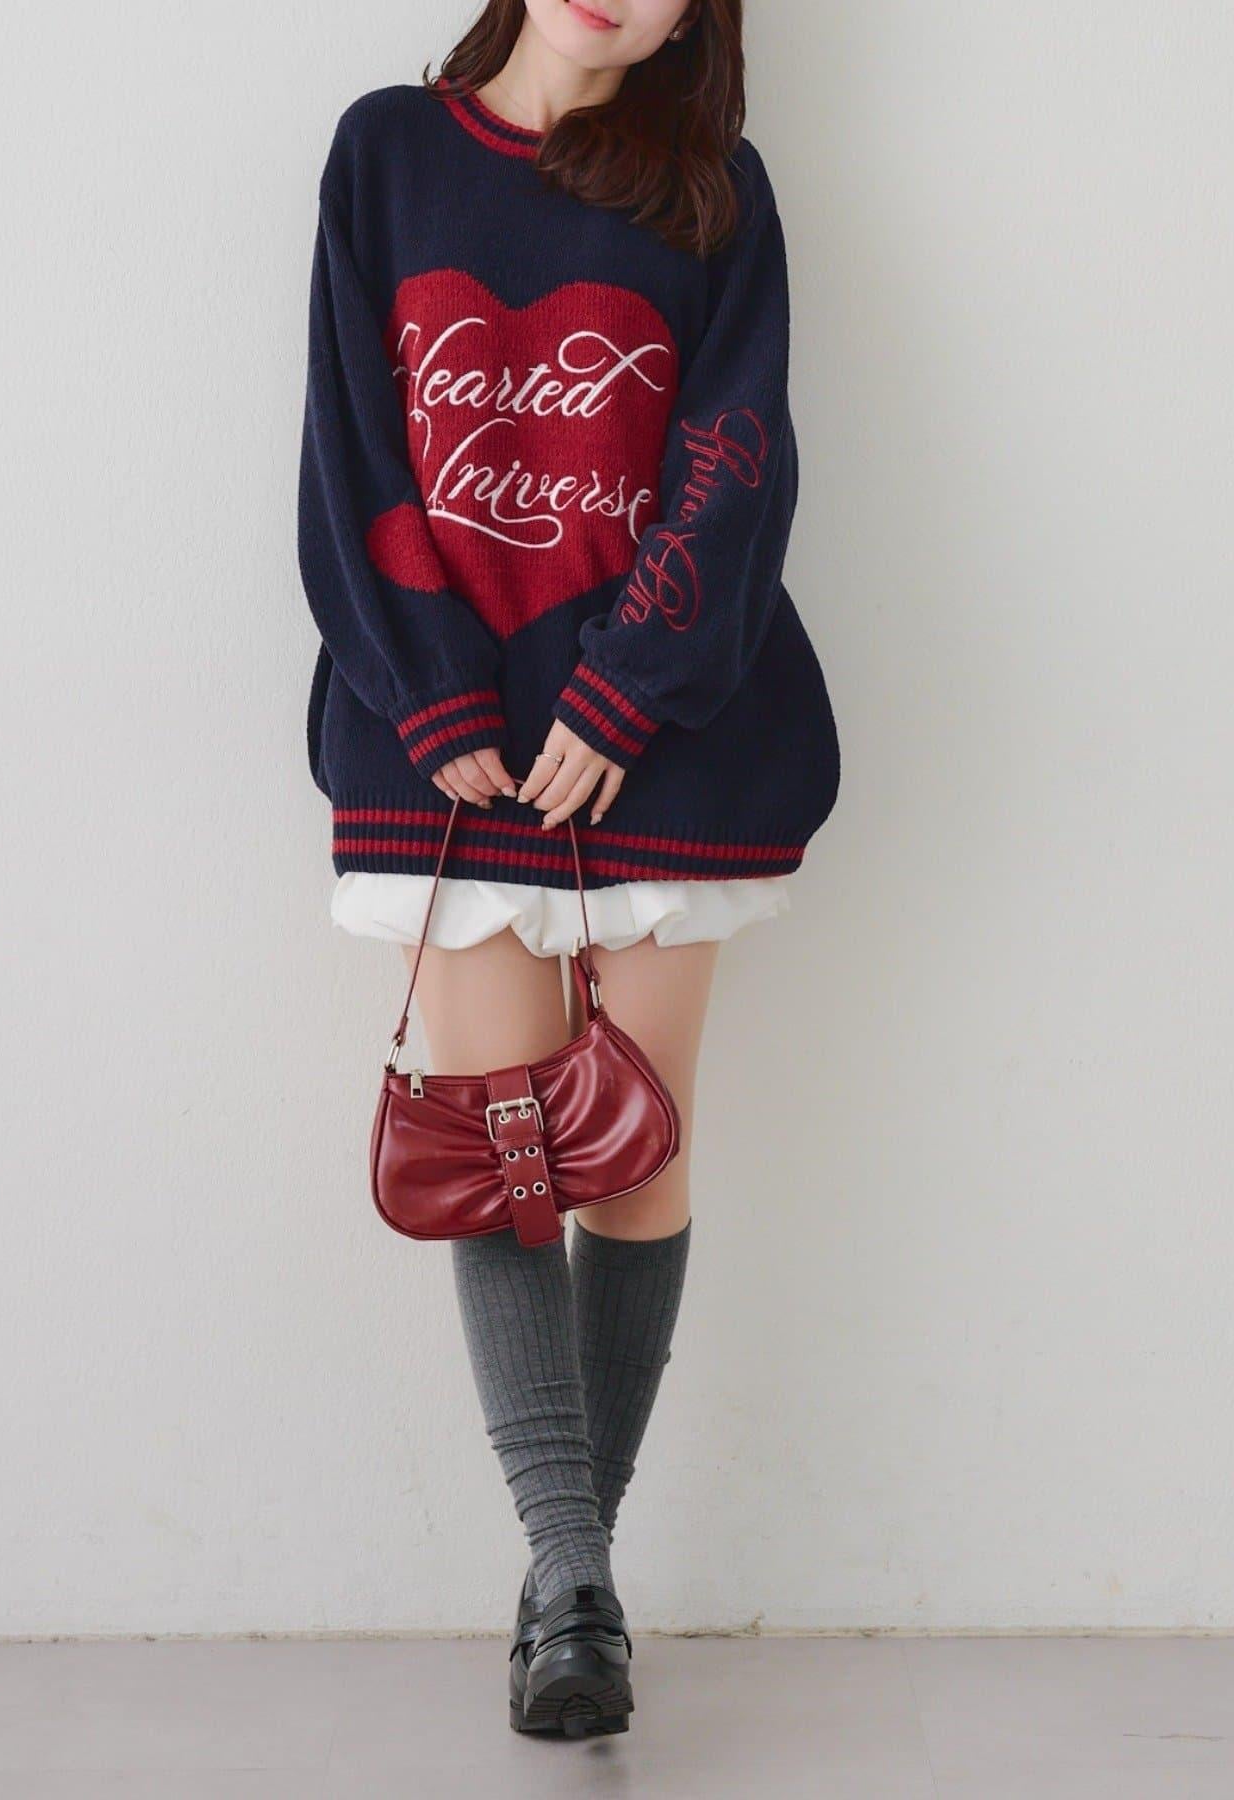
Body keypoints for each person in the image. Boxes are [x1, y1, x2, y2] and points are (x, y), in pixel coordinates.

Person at [296, 0, 839, 1739]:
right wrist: (431, 686)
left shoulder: (715, 189)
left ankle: (564, 1589)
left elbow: (736, 464)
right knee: (500, 1159)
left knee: (628, 1154)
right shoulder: (388, 153)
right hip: (446, 739)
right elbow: (351, 448)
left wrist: (624, 687)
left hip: (667, 732)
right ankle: (578, 1579)